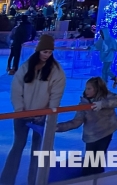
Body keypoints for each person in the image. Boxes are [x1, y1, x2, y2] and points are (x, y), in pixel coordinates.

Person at [1, 35, 66, 185]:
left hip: (42, 118)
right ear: (38, 51)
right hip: (22, 115)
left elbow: (56, 96)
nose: (47, 55)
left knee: (38, 151)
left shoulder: (56, 71)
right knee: (17, 146)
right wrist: (20, 110)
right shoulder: (26, 66)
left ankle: (35, 181)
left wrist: (48, 115)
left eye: (50, 52)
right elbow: (16, 89)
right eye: (44, 51)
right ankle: (6, 181)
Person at [56, 77, 117, 176]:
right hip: (91, 135)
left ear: (97, 89)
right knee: (90, 160)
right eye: (86, 88)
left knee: (98, 159)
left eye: (89, 88)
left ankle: (97, 179)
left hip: (106, 132)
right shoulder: (84, 103)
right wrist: (58, 127)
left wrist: (102, 104)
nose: (86, 91)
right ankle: (88, 178)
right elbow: (76, 122)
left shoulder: (106, 96)